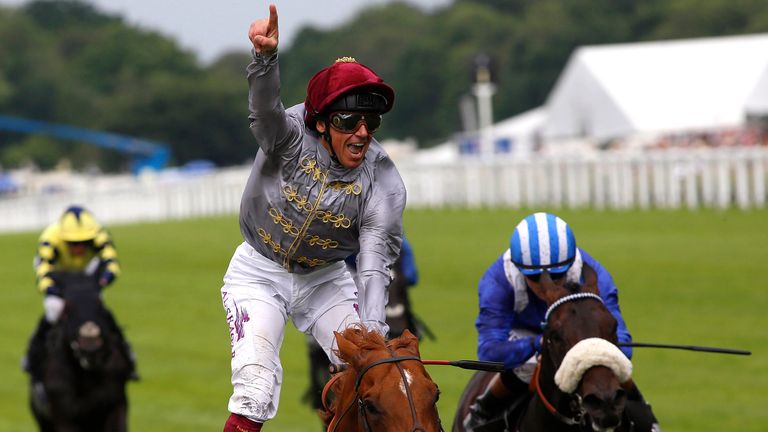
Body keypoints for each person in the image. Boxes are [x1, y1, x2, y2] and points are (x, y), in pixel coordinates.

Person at [221, 4, 406, 431]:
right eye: (348, 120)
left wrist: (372, 340)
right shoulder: (287, 133)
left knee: (375, 376)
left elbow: (375, 263)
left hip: (325, 279)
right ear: (320, 122)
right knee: (255, 387)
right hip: (258, 271)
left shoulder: (384, 181)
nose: (362, 133)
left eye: (371, 121)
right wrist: (265, 60)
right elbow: (263, 114)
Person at [463, 212, 660, 431]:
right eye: (534, 278)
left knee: (608, 364)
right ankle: (482, 411)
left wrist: (593, 348)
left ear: (569, 265)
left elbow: (621, 338)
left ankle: (644, 416)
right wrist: (539, 343)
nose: (545, 284)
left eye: (557, 276)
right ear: (519, 269)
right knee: (527, 367)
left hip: (576, 335)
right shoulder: (498, 280)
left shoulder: (592, 272)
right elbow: (489, 351)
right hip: (524, 334)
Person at [302, 236, 429, 417]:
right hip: (396, 333)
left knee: (336, 403)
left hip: (347, 341)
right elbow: (411, 276)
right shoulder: (398, 239)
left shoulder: (329, 240)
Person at [22, 205, 137, 383]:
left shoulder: (99, 234)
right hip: (59, 277)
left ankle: (127, 356)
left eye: (83, 242)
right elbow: (42, 270)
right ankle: (31, 357)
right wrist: (52, 289)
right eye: (73, 243)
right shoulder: (50, 238)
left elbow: (112, 263)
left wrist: (103, 281)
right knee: (53, 311)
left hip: (86, 277)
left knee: (100, 311)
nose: (78, 248)